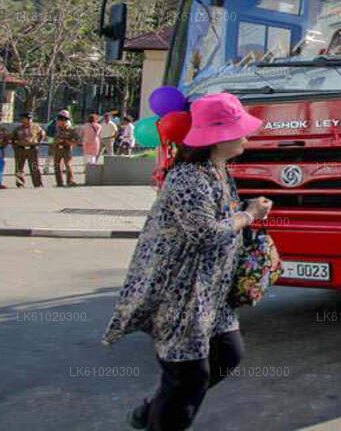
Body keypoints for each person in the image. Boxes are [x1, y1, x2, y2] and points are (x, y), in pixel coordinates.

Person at [104, 92, 272, 431]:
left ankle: (154, 407)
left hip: (211, 293)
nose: (246, 135)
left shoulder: (218, 172)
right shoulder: (189, 178)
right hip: (181, 294)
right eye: (239, 129)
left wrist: (243, 215)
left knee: (227, 353)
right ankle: (158, 415)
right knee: (189, 377)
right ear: (218, 136)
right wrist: (249, 216)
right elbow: (206, 233)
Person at [12, 113, 45, 187]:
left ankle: (37, 183)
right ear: (23, 119)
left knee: (34, 167)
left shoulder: (36, 127)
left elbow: (42, 134)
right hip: (21, 149)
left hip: (32, 149)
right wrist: (15, 148)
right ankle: (20, 183)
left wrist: (38, 142)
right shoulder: (18, 129)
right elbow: (13, 138)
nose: (29, 120)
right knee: (19, 167)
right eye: (27, 118)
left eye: (30, 119)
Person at [52, 111, 80, 187]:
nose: (58, 122)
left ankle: (70, 181)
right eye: (58, 120)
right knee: (57, 166)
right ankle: (59, 182)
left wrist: (67, 141)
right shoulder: (56, 129)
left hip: (66, 149)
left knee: (68, 165)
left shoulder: (71, 130)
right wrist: (56, 141)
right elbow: (51, 139)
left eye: (60, 121)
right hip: (57, 149)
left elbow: (77, 141)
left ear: (64, 121)